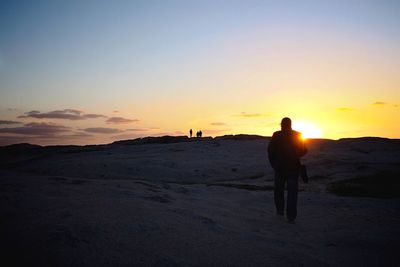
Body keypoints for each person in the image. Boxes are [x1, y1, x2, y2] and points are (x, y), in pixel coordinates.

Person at [268, 117, 307, 223]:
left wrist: (275, 164)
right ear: (290, 124)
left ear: (282, 124)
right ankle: (291, 216)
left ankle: (280, 212)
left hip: (281, 169)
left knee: (279, 191)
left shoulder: (276, 135)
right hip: (292, 168)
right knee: (292, 193)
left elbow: (270, 151)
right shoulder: (297, 135)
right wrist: (295, 155)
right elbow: (304, 150)